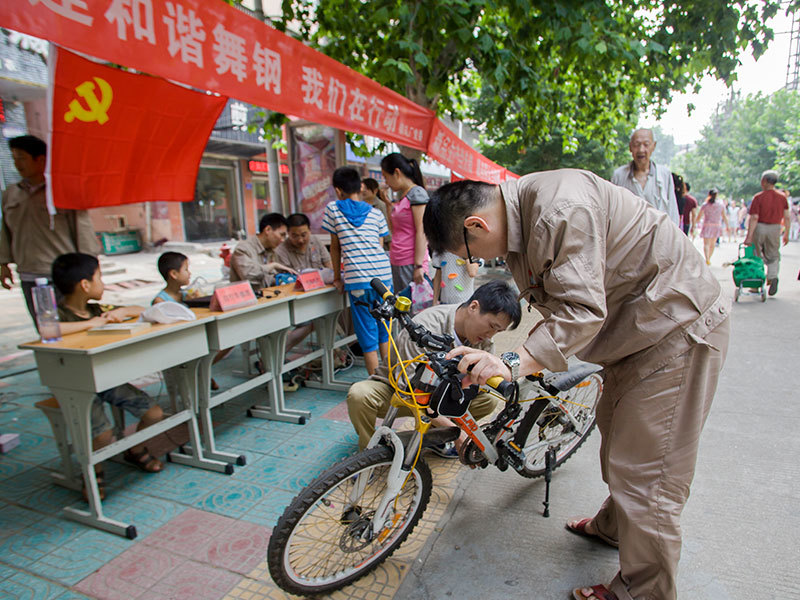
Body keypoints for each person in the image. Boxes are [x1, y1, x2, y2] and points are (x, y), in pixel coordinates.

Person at [423, 171, 730, 600]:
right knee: (618, 445)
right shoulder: (523, 221)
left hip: (675, 331)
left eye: (466, 254)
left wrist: (513, 361)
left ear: (477, 227)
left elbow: (582, 310)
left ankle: (643, 592)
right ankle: (615, 528)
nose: (470, 264)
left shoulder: (559, 210)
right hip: (633, 336)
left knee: (649, 476)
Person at [346, 280, 521, 453]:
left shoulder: (484, 342)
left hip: (439, 396)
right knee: (359, 395)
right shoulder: (425, 326)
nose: (491, 335)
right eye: (491, 326)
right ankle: (369, 451)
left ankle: (436, 437)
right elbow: (408, 389)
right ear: (473, 307)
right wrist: (458, 433)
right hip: (398, 392)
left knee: (487, 401)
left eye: (498, 331)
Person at [52, 253, 165, 500]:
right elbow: (49, 330)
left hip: (106, 380)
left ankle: (134, 449)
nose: (102, 283)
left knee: (154, 414)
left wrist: (121, 310)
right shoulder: (58, 315)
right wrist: (91, 324)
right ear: (85, 285)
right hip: (76, 386)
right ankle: (94, 472)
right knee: (103, 435)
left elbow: (142, 310)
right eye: (99, 277)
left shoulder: (99, 308)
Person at [0, 135, 99, 324]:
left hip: (63, 275)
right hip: (30, 275)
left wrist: (91, 271)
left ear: (41, 160)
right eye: (14, 158)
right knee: (47, 328)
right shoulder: (10, 194)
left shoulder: (61, 191)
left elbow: (83, 230)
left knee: (73, 324)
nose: (17, 163)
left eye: (22, 157)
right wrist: (3, 263)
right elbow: (5, 231)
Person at [322, 166, 392, 375]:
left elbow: (335, 247)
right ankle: (390, 381)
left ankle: (376, 386)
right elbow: (378, 246)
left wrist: (337, 277)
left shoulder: (333, 209)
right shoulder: (376, 213)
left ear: (337, 189)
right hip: (383, 277)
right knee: (384, 332)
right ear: (360, 187)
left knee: (366, 336)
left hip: (358, 279)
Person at [380, 153, 430, 294]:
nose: (386, 182)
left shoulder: (417, 194)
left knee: (412, 310)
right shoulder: (404, 196)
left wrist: (418, 265)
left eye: (386, 177)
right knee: (402, 308)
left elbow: (422, 230)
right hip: (398, 259)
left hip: (410, 262)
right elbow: (395, 230)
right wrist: (388, 205)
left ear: (396, 173)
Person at [611, 129, 680, 226]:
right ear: (630, 147)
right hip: (629, 237)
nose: (641, 150)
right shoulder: (619, 176)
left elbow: (672, 211)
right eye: (636, 144)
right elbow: (613, 212)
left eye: (646, 144)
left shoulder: (664, 175)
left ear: (653, 146)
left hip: (658, 236)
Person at [744, 170, 790, 296]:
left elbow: (754, 217)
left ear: (764, 181)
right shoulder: (782, 197)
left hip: (760, 227)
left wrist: (749, 236)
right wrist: (787, 233)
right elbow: (787, 217)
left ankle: (756, 284)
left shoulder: (758, 197)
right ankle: (773, 276)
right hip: (775, 228)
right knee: (774, 255)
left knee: (756, 256)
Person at [229, 212, 297, 287]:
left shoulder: (271, 250)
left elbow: (268, 280)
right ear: (268, 230)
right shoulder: (243, 249)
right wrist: (272, 266)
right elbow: (249, 276)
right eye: (281, 235)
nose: (283, 240)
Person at [697, 188, 729, 265]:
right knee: (712, 244)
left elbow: (699, 216)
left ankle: (707, 258)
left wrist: (695, 222)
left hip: (707, 225)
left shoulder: (705, 205)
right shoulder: (721, 205)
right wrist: (727, 226)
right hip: (716, 226)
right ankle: (709, 258)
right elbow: (724, 216)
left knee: (706, 244)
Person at [361, 178, 391, 246]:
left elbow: (386, 228)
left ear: (375, 190)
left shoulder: (381, 205)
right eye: (363, 188)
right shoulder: (360, 205)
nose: (364, 190)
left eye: (367, 188)